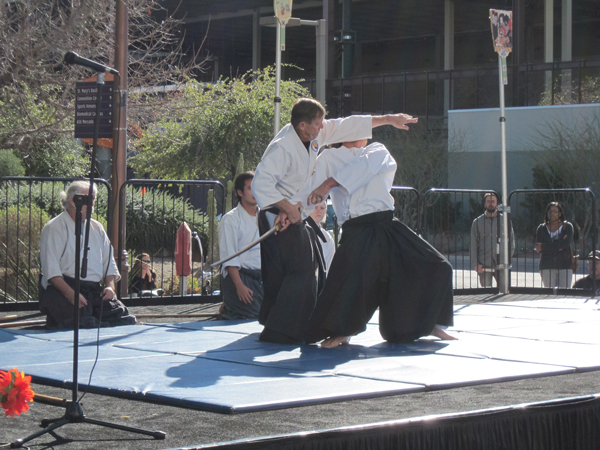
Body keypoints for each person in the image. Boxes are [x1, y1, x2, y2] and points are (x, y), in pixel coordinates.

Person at [251, 97, 418, 344]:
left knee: (284, 271)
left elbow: (345, 125)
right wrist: (287, 208)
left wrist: (389, 120)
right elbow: (260, 184)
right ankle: (284, 330)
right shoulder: (283, 147)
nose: (322, 127)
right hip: (276, 211)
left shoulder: (315, 134)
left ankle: (273, 322)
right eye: (317, 123)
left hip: (291, 209)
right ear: (302, 125)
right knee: (301, 269)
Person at [302, 139, 455, 347]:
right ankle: (343, 331)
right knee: (351, 282)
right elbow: (311, 190)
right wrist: (291, 211)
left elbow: (364, 168)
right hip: (356, 228)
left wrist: (331, 182)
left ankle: (430, 324)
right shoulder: (328, 158)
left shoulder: (377, 150)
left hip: (387, 223)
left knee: (437, 266)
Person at [39, 180, 136, 329]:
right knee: (84, 324)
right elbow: (51, 271)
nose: (91, 204)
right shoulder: (54, 228)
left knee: (123, 319)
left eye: (93, 199)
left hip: (93, 290)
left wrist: (110, 287)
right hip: (64, 288)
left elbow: (108, 263)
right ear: (73, 201)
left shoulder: (96, 227)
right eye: (87, 199)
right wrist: (70, 294)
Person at [217, 172, 263, 319]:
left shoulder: (267, 216)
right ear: (240, 192)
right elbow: (229, 257)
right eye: (250, 188)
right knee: (250, 316)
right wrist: (239, 286)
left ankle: (229, 306)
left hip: (263, 277)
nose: (255, 191)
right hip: (241, 277)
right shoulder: (230, 220)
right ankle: (231, 304)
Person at [470, 192, 515, 288]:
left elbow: (511, 242)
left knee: (504, 293)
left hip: (502, 265)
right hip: (484, 264)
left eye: (493, 201)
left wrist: (507, 259)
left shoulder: (505, 221)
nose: (491, 203)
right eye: (488, 201)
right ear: (485, 204)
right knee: (486, 293)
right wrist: (475, 264)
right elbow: (473, 245)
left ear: (497, 203)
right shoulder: (477, 222)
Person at [535, 202, 574, 288]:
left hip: (565, 265)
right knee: (549, 294)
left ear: (560, 213)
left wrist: (545, 246)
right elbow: (538, 248)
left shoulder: (567, 227)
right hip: (546, 266)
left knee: (564, 294)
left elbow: (565, 244)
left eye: (555, 211)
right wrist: (558, 246)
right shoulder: (541, 228)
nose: (552, 214)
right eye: (550, 211)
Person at [309, 202, 335, 277]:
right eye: (315, 207)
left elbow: (330, 267)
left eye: (322, 208)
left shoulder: (328, 239)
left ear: (325, 211)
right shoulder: (301, 233)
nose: (319, 211)